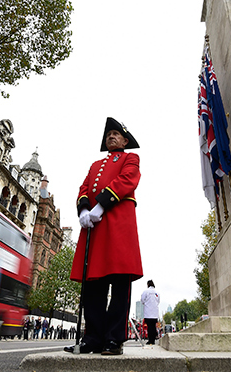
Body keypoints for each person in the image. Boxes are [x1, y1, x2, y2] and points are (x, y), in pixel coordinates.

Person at [64, 117, 143, 356]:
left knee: (119, 281)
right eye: (108, 133)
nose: (111, 136)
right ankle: (93, 338)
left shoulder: (131, 158)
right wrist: (84, 209)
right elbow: (84, 188)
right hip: (94, 225)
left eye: (116, 133)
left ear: (125, 140)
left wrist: (101, 205)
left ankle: (113, 339)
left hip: (118, 221)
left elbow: (127, 180)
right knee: (94, 284)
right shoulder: (95, 164)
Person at [141, 279, 160, 345]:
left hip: (148, 312)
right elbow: (158, 301)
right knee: (154, 326)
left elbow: (142, 300)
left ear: (148, 284)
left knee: (149, 327)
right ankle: (153, 340)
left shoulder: (146, 291)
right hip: (155, 312)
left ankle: (150, 340)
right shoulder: (157, 292)